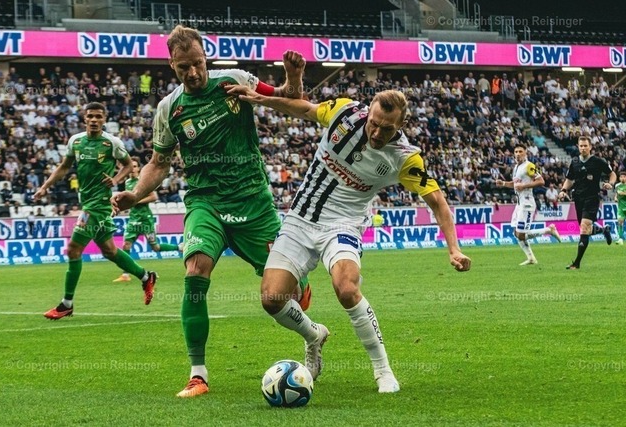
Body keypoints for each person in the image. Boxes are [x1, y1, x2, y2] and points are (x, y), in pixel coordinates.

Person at [226, 86, 471, 393]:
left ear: (401, 125)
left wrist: (454, 249)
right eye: (374, 123)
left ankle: (383, 370)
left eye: (387, 128)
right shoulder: (343, 112)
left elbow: (437, 202)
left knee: (346, 288)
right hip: (299, 220)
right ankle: (314, 334)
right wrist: (261, 99)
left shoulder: (404, 158)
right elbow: (303, 108)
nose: (377, 132)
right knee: (271, 298)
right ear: (369, 112)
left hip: (342, 225)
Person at [111, 25, 311, 398]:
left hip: (253, 201)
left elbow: (288, 99)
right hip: (206, 201)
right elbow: (159, 162)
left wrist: (294, 76)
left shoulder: (234, 80)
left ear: (206, 58)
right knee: (195, 268)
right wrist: (135, 194)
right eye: (183, 67)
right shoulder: (168, 108)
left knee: (285, 295)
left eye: (198, 64)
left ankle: (310, 329)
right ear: (172, 65)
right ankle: (198, 374)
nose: (192, 73)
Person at [34, 102, 157, 320]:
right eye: (90, 116)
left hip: (98, 205)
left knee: (73, 249)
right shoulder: (76, 141)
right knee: (109, 251)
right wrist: (45, 186)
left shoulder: (111, 143)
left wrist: (116, 180)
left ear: (104, 119)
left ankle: (66, 304)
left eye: (98, 116)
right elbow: (64, 167)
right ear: (84, 118)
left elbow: (128, 165)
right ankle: (146, 277)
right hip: (88, 202)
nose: (94, 120)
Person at [113, 159, 184, 282]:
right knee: (126, 245)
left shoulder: (143, 181)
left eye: (135, 166)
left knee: (155, 247)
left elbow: (153, 197)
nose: (132, 169)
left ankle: (179, 247)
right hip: (133, 219)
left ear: (138, 169)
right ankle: (125, 275)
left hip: (146, 219)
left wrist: (136, 201)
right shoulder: (127, 183)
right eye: (131, 166)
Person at [495, 144, 561, 265]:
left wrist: (524, 186)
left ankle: (549, 230)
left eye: (520, 151)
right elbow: (515, 184)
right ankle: (531, 258)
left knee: (521, 235)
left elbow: (541, 181)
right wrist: (503, 183)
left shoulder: (529, 166)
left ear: (526, 152)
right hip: (519, 204)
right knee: (516, 233)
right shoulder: (516, 167)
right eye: (516, 152)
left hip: (527, 203)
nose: (518, 154)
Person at [558, 136, 615, 269]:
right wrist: (563, 190)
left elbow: (612, 174)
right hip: (578, 199)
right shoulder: (575, 162)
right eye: (581, 146)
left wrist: (610, 183)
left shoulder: (598, 161)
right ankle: (603, 230)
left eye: (585, 146)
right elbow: (569, 179)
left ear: (590, 147)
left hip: (592, 198)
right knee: (585, 230)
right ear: (578, 147)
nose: (583, 148)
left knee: (584, 227)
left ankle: (576, 263)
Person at [613, 170, 626, 244]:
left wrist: (622, 193)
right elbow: (616, 194)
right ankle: (620, 239)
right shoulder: (617, 185)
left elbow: (621, 193)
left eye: (624, 177)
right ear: (619, 178)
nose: (623, 178)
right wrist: (615, 198)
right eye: (621, 177)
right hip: (621, 207)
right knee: (620, 222)